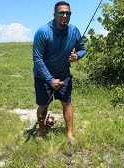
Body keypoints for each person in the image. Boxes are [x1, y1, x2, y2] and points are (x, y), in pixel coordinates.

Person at [32, 1, 86, 143]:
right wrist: (50, 80)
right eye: (61, 13)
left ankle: (69, 134)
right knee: (43, 104)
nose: (65, 16)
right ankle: (41, 129)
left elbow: (82, 48)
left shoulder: (74, 30)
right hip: (43, 76)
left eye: (68, 13)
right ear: (54, 15)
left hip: (64, 74)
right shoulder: (43, 32)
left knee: (66, 102)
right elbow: (37, 59)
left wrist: (77, 56)